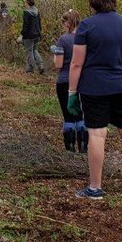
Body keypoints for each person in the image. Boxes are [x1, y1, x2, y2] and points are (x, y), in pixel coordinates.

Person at [67, 0, 122, 198]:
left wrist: (72, 92)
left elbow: (77, 63)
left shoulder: (86, 26)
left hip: (96, 88)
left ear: (92, 1)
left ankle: (95, 187)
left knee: (97, 134)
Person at [50, 9, 86, 152]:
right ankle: (84, 146)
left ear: (68, 23)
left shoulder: (63, 40)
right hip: (83, 81)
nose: (63, 25)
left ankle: (70, 149)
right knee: (81, 114)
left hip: (65, 80)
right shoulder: (86, 38)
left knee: (68, 115)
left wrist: (55, 54)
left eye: (63, 22)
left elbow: (58, 64)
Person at [21, 0, 44, 75]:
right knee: (35, 50)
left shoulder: (26, 12)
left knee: (29, 51)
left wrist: (22, 34)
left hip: (28, 35)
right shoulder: (36, 11)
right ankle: (40, 65)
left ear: (27, 3)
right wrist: (39, 32)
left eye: (25, 1)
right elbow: (39, 23)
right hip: (37, 34)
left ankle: (32, 68)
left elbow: (25, 25)